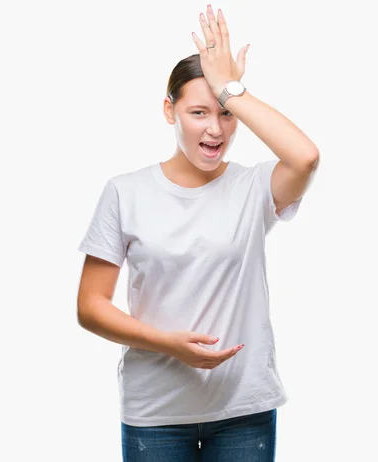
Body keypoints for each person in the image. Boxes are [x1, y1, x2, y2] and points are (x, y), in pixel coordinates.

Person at [77, 5, 319, 461]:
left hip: (244, 407)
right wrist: (167, 344)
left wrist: (233, 88)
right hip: (157, 412)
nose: (215, 129)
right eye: (199, 112)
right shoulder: (124, 192)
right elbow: (90, 307)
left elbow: (305, 157)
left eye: (226, 114)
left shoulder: (253, 187)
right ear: (169, 111)